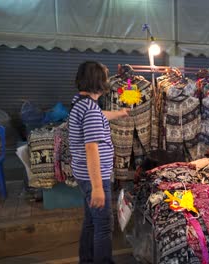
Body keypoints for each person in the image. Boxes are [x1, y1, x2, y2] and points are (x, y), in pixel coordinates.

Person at [69, 61, 129, 263]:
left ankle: (86, 260)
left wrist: (120, 113)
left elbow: (100, 116)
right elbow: (91, 148)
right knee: (103, 224)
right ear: (98, 82)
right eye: (104, 76)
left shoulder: (80, 103)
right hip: (94, 178)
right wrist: (97, 187)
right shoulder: (91, 110)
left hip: (83, 174)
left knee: (91, 222)